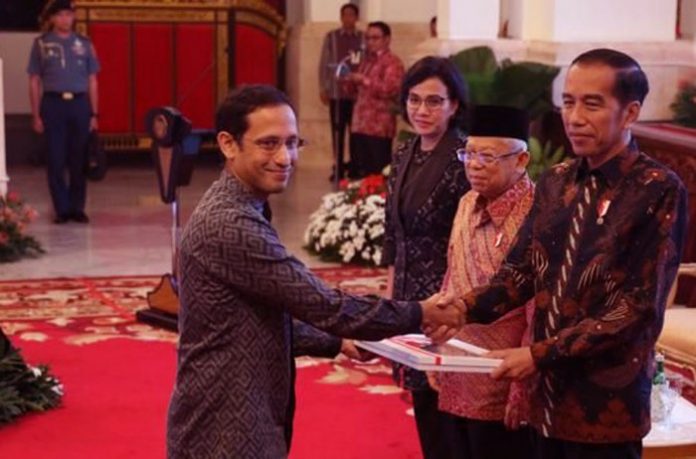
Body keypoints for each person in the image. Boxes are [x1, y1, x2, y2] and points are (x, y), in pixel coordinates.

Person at [166, 85, 464, 459]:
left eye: (292, 143)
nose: (284, 158)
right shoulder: (229, 223)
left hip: (241, 413)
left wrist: (337, 343)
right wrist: (420, 313)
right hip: (225, 427)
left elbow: (255, 318)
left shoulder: (242, 206)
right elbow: (325, 305)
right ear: (228, 144)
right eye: (269, 144)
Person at [429, 48, 688, 459]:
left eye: (592, 104)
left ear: (631, 112)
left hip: (603, 408)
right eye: (568, 102)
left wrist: (538, 354)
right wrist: (460, 309)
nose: (574, 117)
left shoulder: (656, 188)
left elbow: (635, 308)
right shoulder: (557, 181)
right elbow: (521, 273)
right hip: (543, 400)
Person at [433, 105, 535, 459]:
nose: (473, 165)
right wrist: (438, 352)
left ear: (521, 160)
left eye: (487, 156)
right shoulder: (466, 202)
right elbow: (452, 273)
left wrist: (522, 387)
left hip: (501, 375)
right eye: (469, 154)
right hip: (456, 363)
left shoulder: (537, 212)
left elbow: (537, 307)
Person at [381, 56, 470, 459]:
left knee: (446, 407)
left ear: (454, 105)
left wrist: (456, 306)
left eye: (434, 101)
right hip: (408, 298)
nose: (421, 110)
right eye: (414, 99)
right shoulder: (405, 152)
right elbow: (392, 230)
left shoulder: (465, 157)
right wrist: (390, 297)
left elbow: (469, 239)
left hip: (446, 301)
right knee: (424, 404)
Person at [27, 0, 100, 224]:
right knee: (55, 158)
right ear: (52, 18)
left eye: (68, 14)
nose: (65, 19)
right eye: (60, 15)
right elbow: (34, 80)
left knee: (79, 158)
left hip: (79, 104)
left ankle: (77, 207)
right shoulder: (41, 44)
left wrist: (94, 114)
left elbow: (92, 80)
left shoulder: (85, 44)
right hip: (53, 104)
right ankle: (61, 208)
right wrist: (36, 114)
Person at [347, 21, 404, 179]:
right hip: (360, 124)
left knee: (377, 172)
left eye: (375, 38)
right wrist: (350, 81)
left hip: (379, 126)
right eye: (368, 38)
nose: (370, 42)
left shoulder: (393, 62)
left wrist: (364, 80)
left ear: (387, 39)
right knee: (360, 172)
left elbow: (391, 89)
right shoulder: (366, 61)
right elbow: (356, 92)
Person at [318, 3, 364, 182]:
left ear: (356, 17)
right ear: (341, 17)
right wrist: (324, 87)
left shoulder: (362, 38)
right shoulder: (332, 37)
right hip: (337, 94)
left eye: (351, 15)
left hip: (358, 95)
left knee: (356, 133)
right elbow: (324, 63)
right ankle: (337, 166)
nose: (348, 18)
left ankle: (354, 166)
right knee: (337, 131)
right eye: (345, 15)